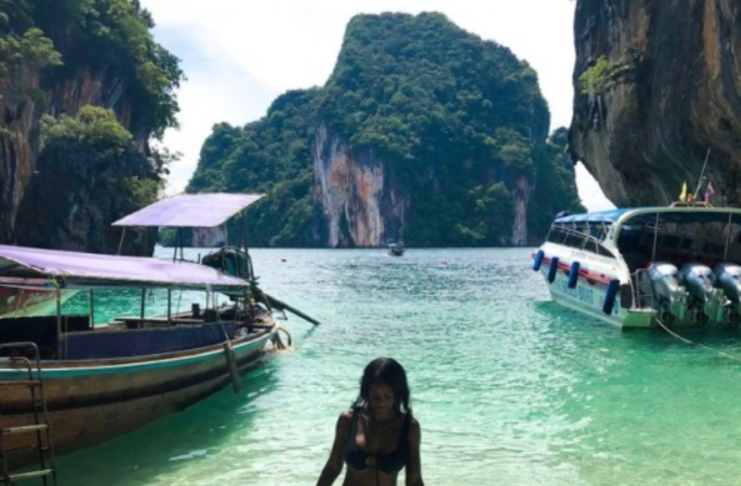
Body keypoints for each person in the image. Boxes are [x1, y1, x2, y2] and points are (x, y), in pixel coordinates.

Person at [317, 357, 424, 486]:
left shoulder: (409, 427)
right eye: (374, 395)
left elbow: (414, 480)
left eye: (388, 396)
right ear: (366, 391)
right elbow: (332, 468)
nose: (381, 402)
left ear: (398, 393)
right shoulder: (348, 420)